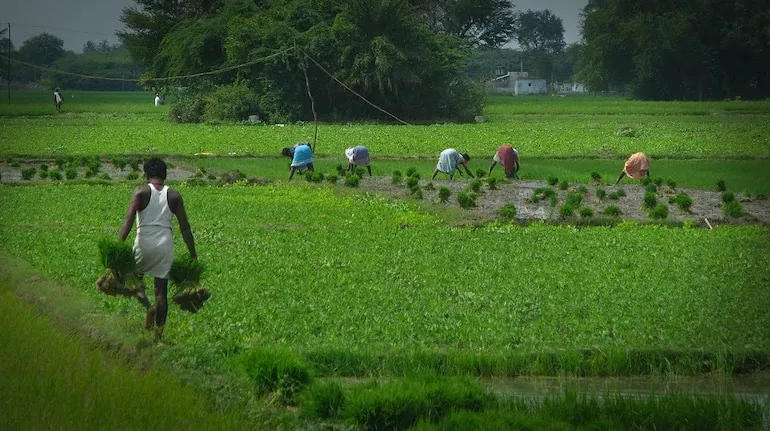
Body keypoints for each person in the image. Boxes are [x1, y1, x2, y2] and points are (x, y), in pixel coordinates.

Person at [119, 157, 197, 342]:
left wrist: (119, 244)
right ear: (165, 175)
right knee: (161, 293)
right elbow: (185, 228)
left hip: (143, 241)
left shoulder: (140, 192)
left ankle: (148, 307)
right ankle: (158, 337)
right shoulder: (174, 196)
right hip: (164, 244)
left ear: (146, 175)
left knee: (131, 282)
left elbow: (128, 220)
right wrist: (192, 252)